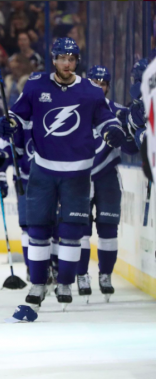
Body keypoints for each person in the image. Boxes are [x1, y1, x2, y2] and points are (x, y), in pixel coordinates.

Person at [0, 38, 125, 309]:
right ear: (53, 59)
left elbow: (105, 119)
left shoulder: (91, 91)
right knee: (38, 230)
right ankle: (38, 283)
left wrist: (112, 129)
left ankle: (65, 282)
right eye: (62, 58)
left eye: (72, 58)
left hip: (78, 172)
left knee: (70, 231)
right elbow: (17, 115)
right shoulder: (36, 85)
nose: (67, 63)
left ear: (77, 61)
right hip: (43, 170)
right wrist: (8, 123)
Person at [75, 65, 139, 302]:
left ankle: (105, 275)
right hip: (79, 176)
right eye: (94, 82)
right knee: (80, 230)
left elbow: (132, 148)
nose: (99, 87)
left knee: (108, 227)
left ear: (108, 86)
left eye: (103, 83)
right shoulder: (75, 110)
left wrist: (128, 132)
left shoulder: (119, 112)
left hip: (106, 176)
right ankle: (81, 275)